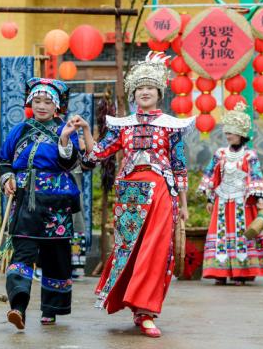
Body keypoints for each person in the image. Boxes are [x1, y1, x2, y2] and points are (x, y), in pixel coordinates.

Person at [72, 52, 193, 338]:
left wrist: (184, 205)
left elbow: (179, 165)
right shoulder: (122, 126)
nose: (145, 92)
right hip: (129, 193)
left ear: (159, 92)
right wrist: (88, 130)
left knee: (155, 250)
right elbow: (97, 153)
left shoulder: (170, 126)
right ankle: (133, 304)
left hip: (163, 192)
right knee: (129, 248)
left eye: (150, 87)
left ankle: (146, 311)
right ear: (133, 93)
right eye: (140, 88)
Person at [0, 77, 81, 329]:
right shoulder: (19, 130)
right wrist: (8, 177)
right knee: (22, 253)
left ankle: (51, 310)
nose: (41, 105)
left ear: (57, 106)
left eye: (47, 101)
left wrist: (65, 139)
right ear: (30, 102)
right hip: (25, 200)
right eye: (37, 101)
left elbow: (70, 163)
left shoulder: (64, 129)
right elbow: (5, 160)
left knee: (56, 256)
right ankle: (18, 308)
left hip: (57, 202)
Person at [198, 102, 263, 285]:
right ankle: (220, 273)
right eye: (227, 133)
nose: (228, 136)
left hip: (242, 201)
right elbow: (211, 174)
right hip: (222, 200)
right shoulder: (220, 153)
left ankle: (241, 273)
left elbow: (256, 176)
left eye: (231, 133)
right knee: (221, 235)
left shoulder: (250, 156)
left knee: (241, 235)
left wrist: (260, 198)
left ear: (241, 134)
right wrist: (209, 197)